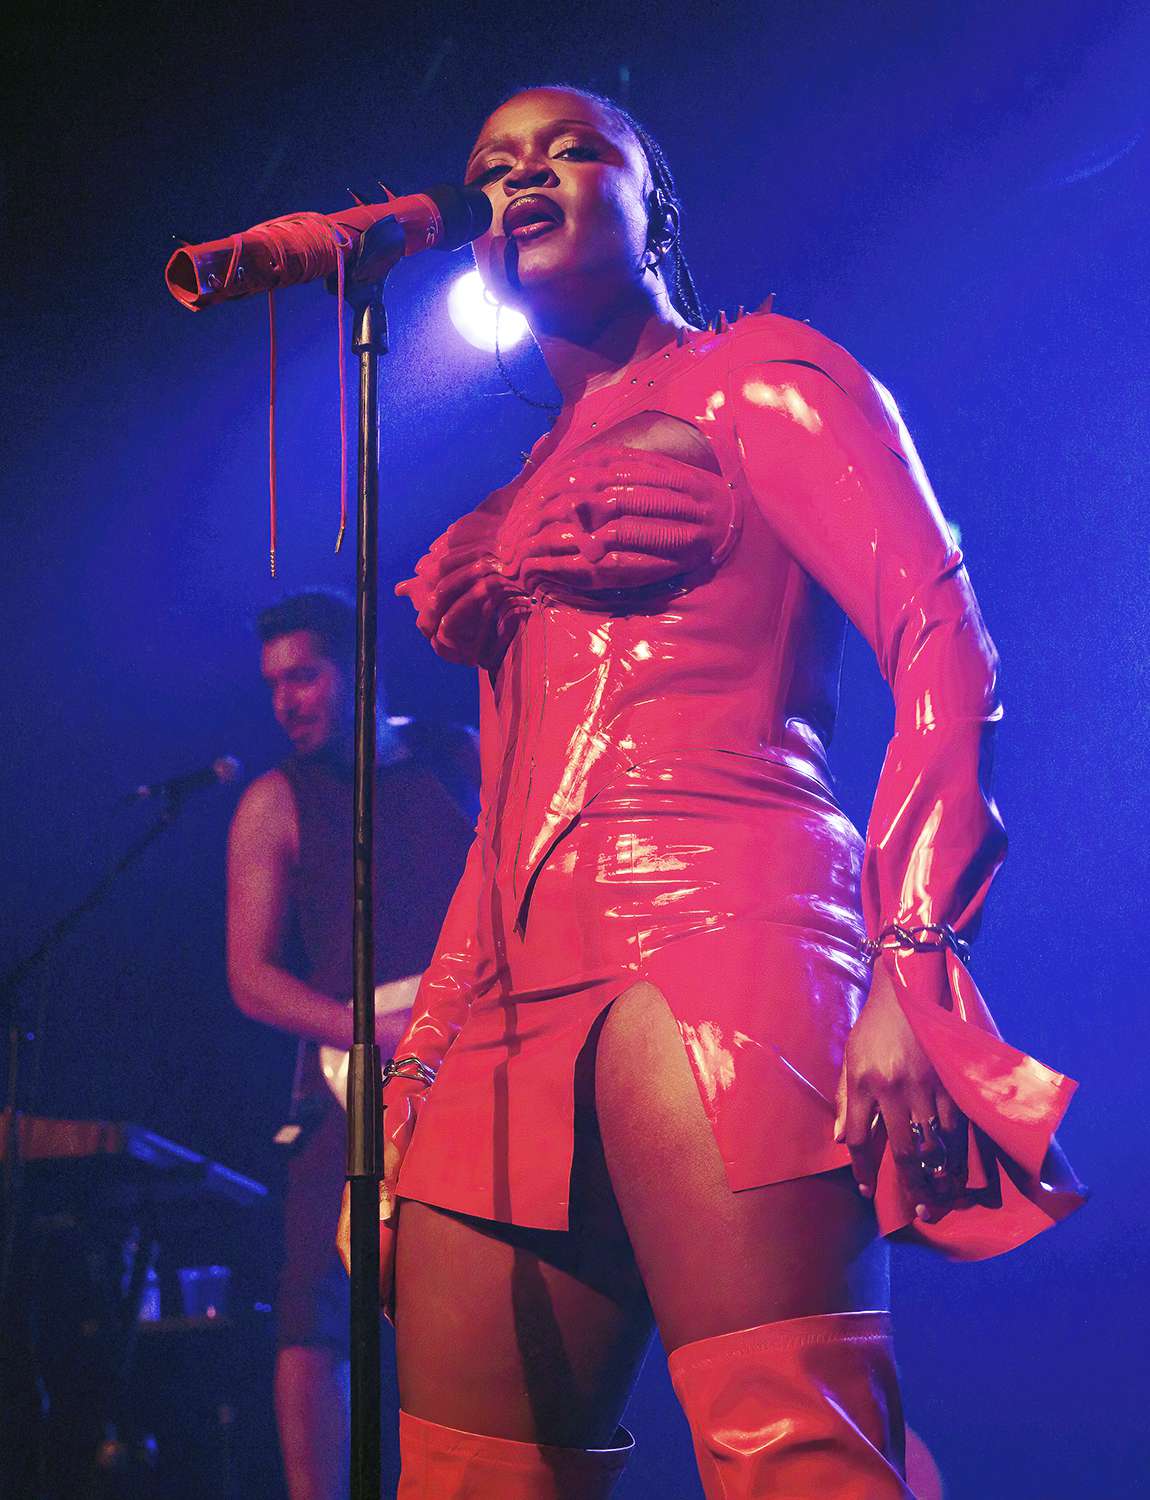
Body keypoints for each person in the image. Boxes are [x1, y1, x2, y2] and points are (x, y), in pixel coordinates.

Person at [338, 87, 1088, 1496]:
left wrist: (908, 958)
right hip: (504, 1002)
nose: (523, 181)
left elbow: (940, 646)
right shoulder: (515, 500)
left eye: (570, 151)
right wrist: (418, 1063)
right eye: (492, 168)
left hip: (721, 934)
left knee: (790, 1453)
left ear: (652, 202)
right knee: (459, 1477)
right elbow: (504, 807)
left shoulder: (761, 376)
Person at [226, 589, 478, 1500]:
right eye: (273, 685)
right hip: (348, 1082)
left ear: (358, 667)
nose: (286, 701)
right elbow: (249, 976)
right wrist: (365, 1033)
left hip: (478, 1061)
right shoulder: (273, 801)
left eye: (305, 675)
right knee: (313, 1316)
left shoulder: (456, 756)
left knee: (475, 1303)